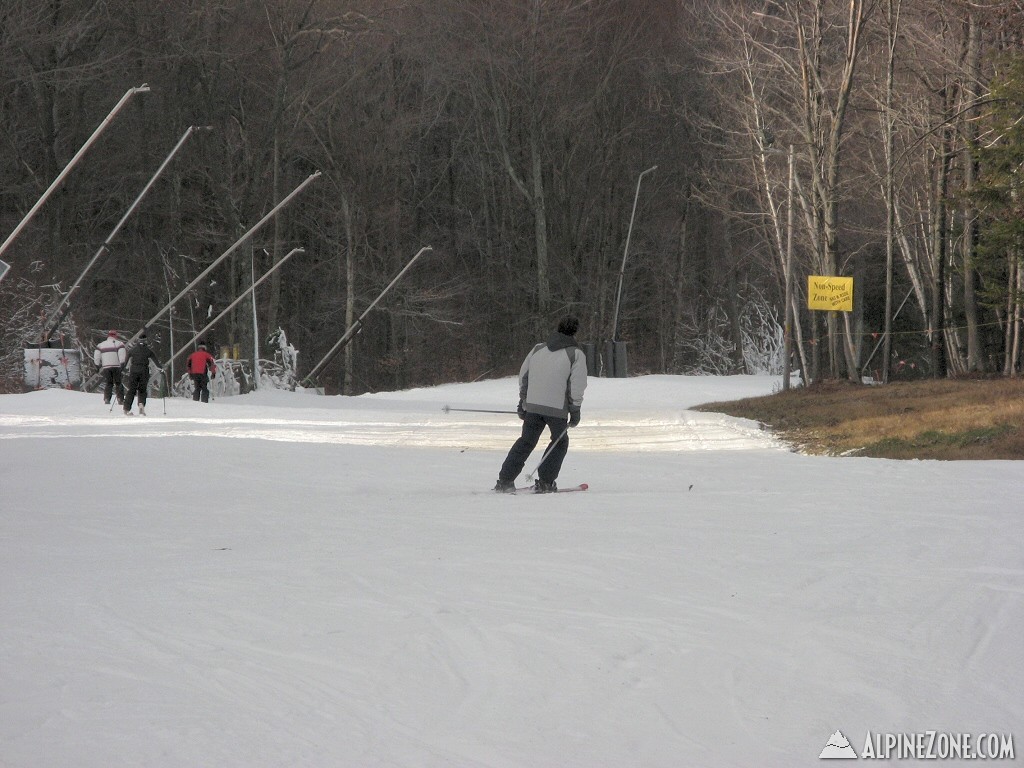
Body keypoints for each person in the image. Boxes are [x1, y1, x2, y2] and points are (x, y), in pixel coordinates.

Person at [494, 315, 587, 493]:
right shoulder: (575, 354)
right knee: (559, 442)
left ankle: (505, 480)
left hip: (534, 407)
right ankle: (545, 481)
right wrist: (575, 410)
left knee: (526, 441)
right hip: (556, 409)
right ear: (575, 332)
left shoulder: (537, 349)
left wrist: (523, 402)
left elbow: (524, 376)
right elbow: (577, 385)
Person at [122, 330, 163, 416]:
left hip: (134, 370)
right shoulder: (148, 351)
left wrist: (123, 368)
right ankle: (141, 405)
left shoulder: (132, 350)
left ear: (138, 340)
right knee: (142, 389)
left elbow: (125, 362)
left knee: (131, 390)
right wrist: (161, 369)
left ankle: (126, 408)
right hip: (144, 371)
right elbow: (156, 362)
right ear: (145, 340)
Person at [93, 330, 126, 406]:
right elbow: (122, 354)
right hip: (117, 366)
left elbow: (97, 355)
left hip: (106, 367)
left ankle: (107, 398)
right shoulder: (119, 344)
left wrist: (97, 365)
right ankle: (120, 399)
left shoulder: (101, 345)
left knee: (109, 383)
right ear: (115, 336)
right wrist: (122, 364)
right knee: (118, 383)